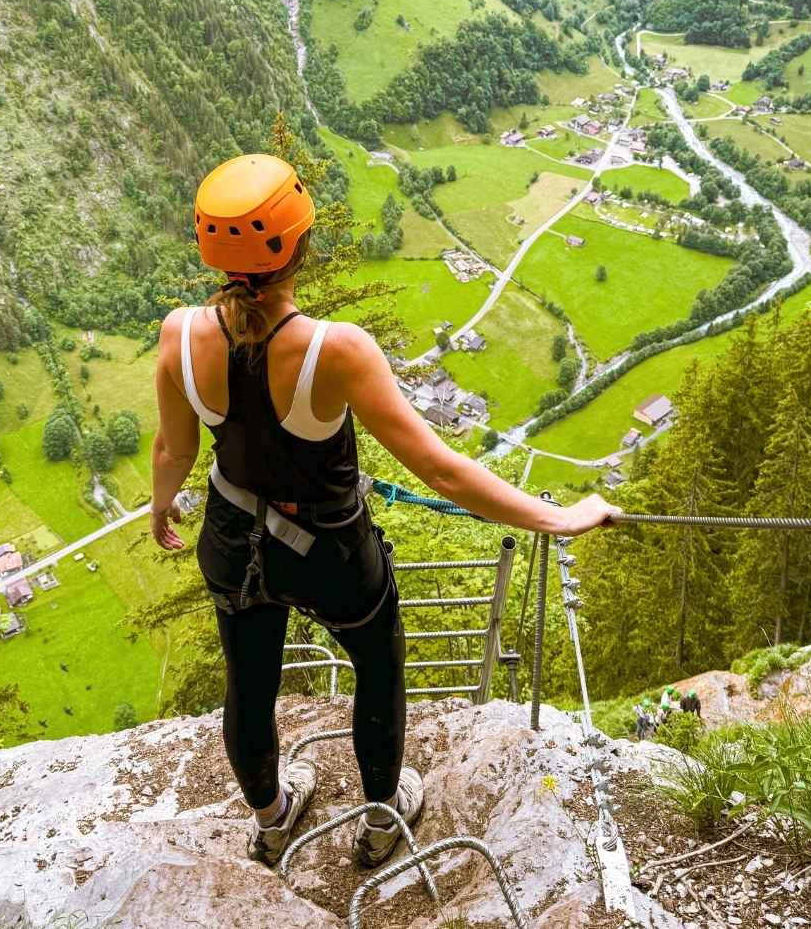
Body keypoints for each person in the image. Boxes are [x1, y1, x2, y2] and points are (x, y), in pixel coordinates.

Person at [150, 154, 620, 869]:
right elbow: (439, 467)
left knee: (249, 681)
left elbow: (173, 449)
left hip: (230, 537)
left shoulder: (180, 334)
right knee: (378, 662)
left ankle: (273, 820)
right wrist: (554, 519)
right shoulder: (334, 350)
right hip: (331, 554)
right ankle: (379, 819)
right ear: (301, 244)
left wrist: (161, 508)